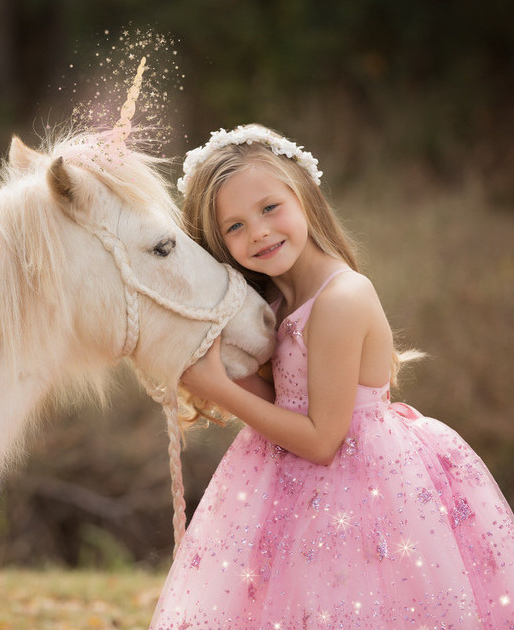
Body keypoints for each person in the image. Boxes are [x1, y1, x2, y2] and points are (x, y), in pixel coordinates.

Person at [150, 124, 514, 629]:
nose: (257, 232)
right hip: (291, 483)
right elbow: (285, 401)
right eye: (233, 226)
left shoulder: (342, 299)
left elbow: (323, 439)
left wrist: (220, 389)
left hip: (360, 485)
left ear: (304, 197)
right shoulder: (276, 304)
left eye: (269, 208)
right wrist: (201, 372)